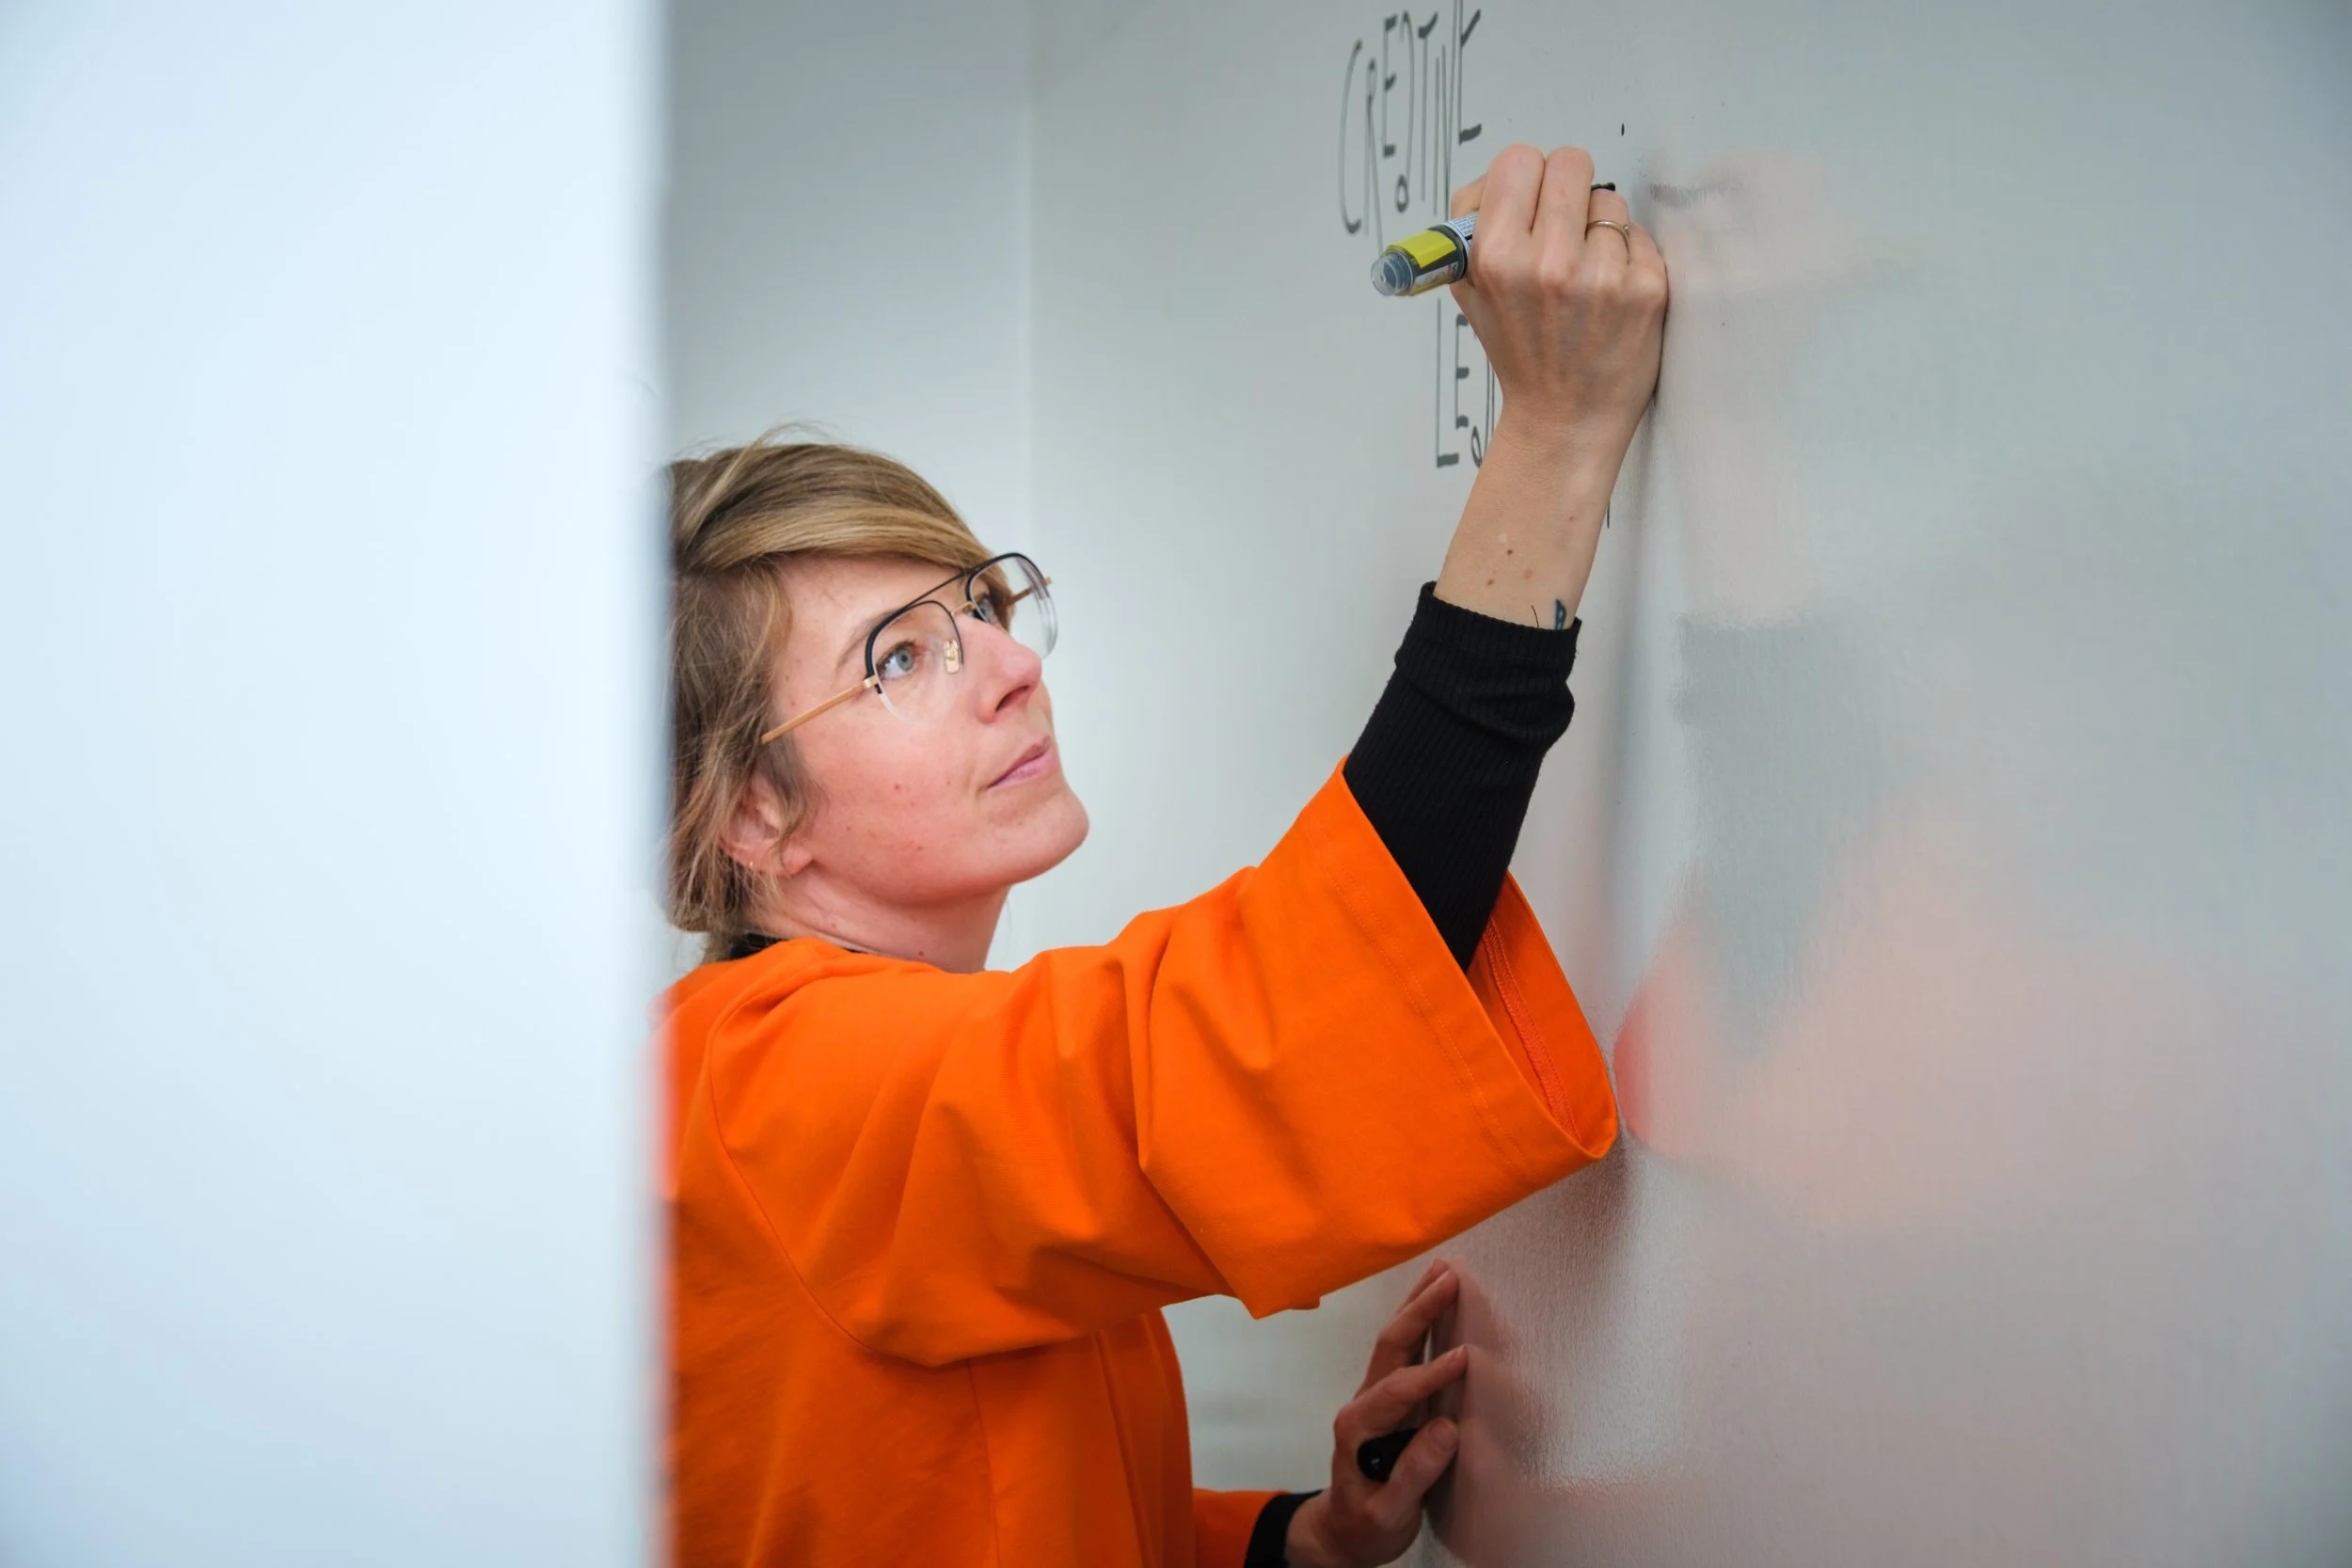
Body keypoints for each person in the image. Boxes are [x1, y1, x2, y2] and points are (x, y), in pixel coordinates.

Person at [660, 144, 1668, 1568]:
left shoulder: (834, 1091)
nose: (1010, 665)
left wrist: (1294, 1541)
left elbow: (975, 1501)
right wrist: (1558, 441)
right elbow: (1266, 1033)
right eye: (897, 661)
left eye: (981, 606)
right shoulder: (786, 1088)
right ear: (749, 814)